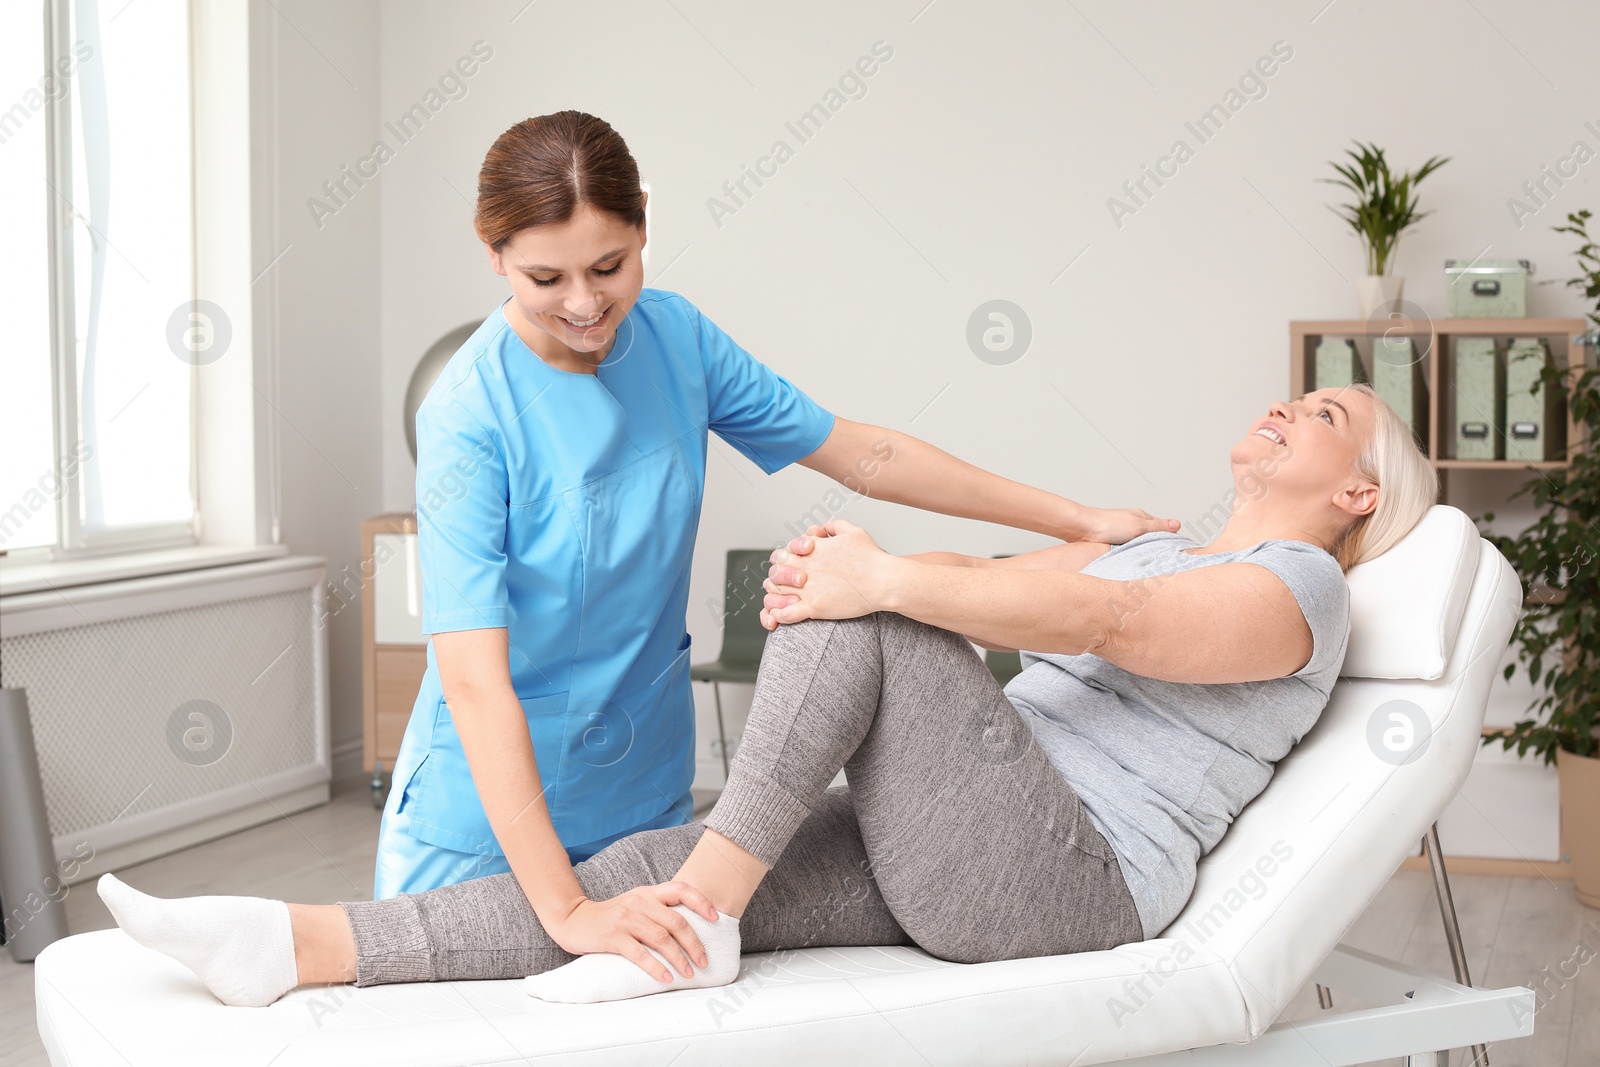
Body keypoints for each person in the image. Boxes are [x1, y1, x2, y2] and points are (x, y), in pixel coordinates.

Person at [97, 384, 1437, 1008]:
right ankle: (298, 942)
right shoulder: (1161, 537)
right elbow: (996, 570)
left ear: (1358, 490)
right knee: (638, 865)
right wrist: (839, 562)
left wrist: (875, 579)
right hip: (974, 839)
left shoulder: (1298, 586)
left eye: (1319, 412)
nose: (1281, 403)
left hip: (1068, 881)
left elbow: (1104, 617)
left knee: (882, 616)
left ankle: (713, 912)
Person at [380, 102, 1176, 988]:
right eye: (544, 278)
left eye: (610, 265)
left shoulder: (675, 337)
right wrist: (566, 910)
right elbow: (472, 681)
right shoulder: (466, 416)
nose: (584, 303)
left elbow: (861, 451)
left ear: (644, 220)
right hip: (492, 811)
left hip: (641, 784)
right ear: (494, 258)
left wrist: (1074, 520)